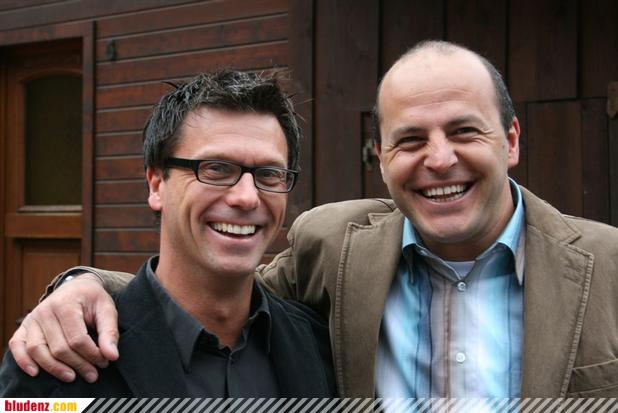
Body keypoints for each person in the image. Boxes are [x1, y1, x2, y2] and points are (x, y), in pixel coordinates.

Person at [7, 41, 618, 398]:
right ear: (382, 157)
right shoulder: (334, 254)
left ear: (510, 140)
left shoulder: (608, 267)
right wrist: (82, 285)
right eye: (216, 169)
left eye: (464, 131)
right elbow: (204, 293)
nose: (439, 159)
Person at [0, 70, 336, 397]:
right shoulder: (58, 362)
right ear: (156, 183)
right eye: (216, 169)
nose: (247, 197)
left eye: (269, 174)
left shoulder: (321, 347)